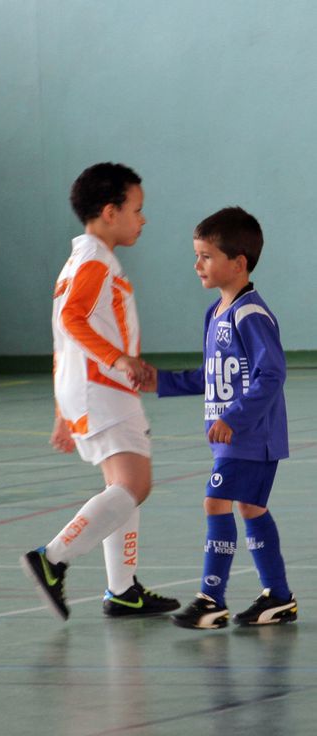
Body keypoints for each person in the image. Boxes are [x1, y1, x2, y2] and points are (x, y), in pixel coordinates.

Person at [21, 163, 179, 620]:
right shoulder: (93, 262)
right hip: (103, 389)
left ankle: (122, 588)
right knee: (135, 485)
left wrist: (61, 409)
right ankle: (52, 559)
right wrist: (120, 360)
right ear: (110, 212)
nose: (143, 219)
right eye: (137, 209)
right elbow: (72, 321)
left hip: (86, 389)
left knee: (120, 487)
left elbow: (61, 337)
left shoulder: (82, 260)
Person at [140, 207, 295, 629]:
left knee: (216, 501)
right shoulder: (215, 314)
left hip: (251, 436)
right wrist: (161, 381)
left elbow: (272, 372)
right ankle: (278, 597)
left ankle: (211, 598)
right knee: (251, 509)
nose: (197, 265)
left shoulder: (251, 315)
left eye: (206, 256)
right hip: (234, 438)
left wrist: (237, 418)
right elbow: (211, 376)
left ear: (238, 262)